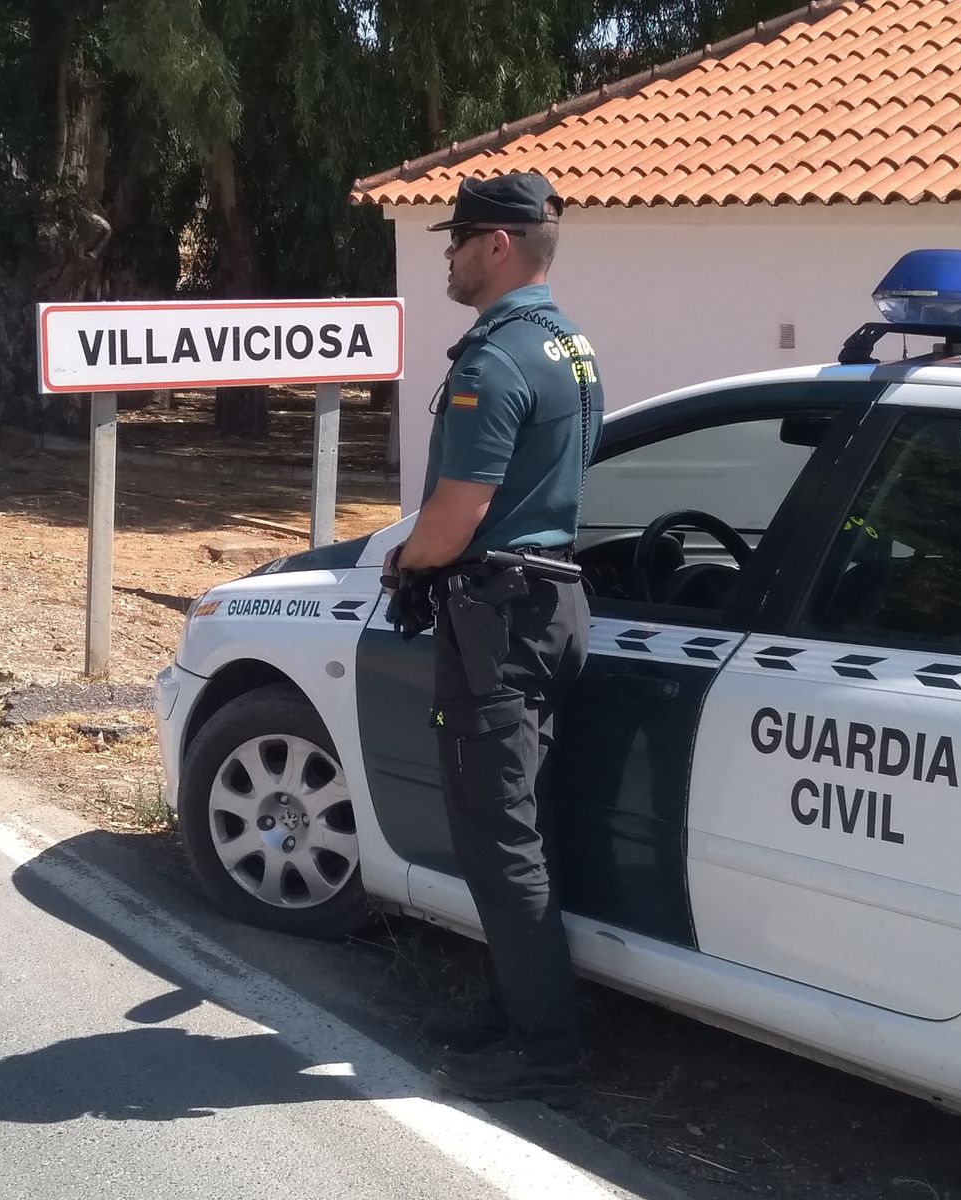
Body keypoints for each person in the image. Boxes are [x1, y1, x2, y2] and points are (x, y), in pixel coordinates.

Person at [383, 171, 603, 1104]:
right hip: (550, 609)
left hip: (497, 620)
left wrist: (406, 567)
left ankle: (548, 1053)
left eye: (460, 236)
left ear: (502, 245)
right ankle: (514, 1005)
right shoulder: (571, 345)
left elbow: (456, 512)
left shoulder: (495, 360)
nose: (448, 251)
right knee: (521, 824)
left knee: (496, 836)